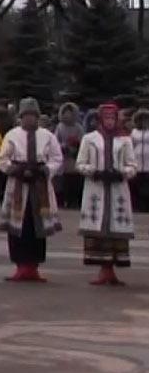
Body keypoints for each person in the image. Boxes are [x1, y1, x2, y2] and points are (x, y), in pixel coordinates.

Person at [0, 98, 62, 283]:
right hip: (18, 184)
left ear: (37, 116)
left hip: (39, 185)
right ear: (21, 116)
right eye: (26, 115)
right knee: (19, 225)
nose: (30, 119)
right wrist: (15, 170)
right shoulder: (12, 135)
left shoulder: (48, 136)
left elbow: (57, 158)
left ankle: (33, 266)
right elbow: (2, 159)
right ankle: (20, 265)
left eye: (33, 115)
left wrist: (45, 170)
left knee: (37, 225)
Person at [75, 102, 136, 286]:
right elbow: (80, 163)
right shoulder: (89, 139)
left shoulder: (125, 140)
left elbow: (132, 165)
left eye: (113, 118)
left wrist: (122, 173)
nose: (110, 122)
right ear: (100, 119)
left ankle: (112, 270)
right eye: (106, 118)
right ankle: (103, 269)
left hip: (117, 190)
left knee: (116, 226)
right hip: (96, 188)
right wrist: (93, 171)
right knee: (98, 224)